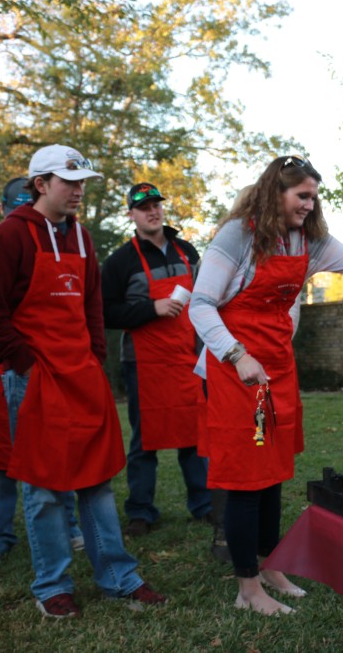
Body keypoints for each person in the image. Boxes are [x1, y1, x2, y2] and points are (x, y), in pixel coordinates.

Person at [188, 155, 343, 616]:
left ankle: (269, 564)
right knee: (247, 478)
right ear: (275, 193)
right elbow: (201, 305)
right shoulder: (238, 236)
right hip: (234, 369)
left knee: (274, 473)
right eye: (301, 195)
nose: (309, 204)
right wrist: (237, 354)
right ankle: (247, 587)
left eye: (313, 196)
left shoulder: (310, 241)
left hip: (277, 366)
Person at [0, 145, 166, 618]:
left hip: (81, 375)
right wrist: (25, 365)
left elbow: (93, 312)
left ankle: (119, 577)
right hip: (34, 377)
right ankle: (52, 585)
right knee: (42, 486)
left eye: (82, 182)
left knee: (97, 480)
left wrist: (95, 362)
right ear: (40, 184)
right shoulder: (10, 236)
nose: (79, 190)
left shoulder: (82, 238)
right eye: (69, 181)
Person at [0, 177, 83, 568]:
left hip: (42, 367)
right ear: (2, 208)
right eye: (14, 203)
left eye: (26, 201)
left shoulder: (61, 241)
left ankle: (69, 526)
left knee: (54, 447)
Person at [101, 182, 216, 540]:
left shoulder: (186, 250)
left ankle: (204, 504)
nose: (152, 211)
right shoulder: (121, 261)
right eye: (143, 206)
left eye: (156, 205)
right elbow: (105, 312)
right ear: (131, 214)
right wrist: (152, 308)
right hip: (144, 364)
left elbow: (206, 299)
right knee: (144, 439)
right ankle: (140, 510)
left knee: (194, 435)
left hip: (187, 357)